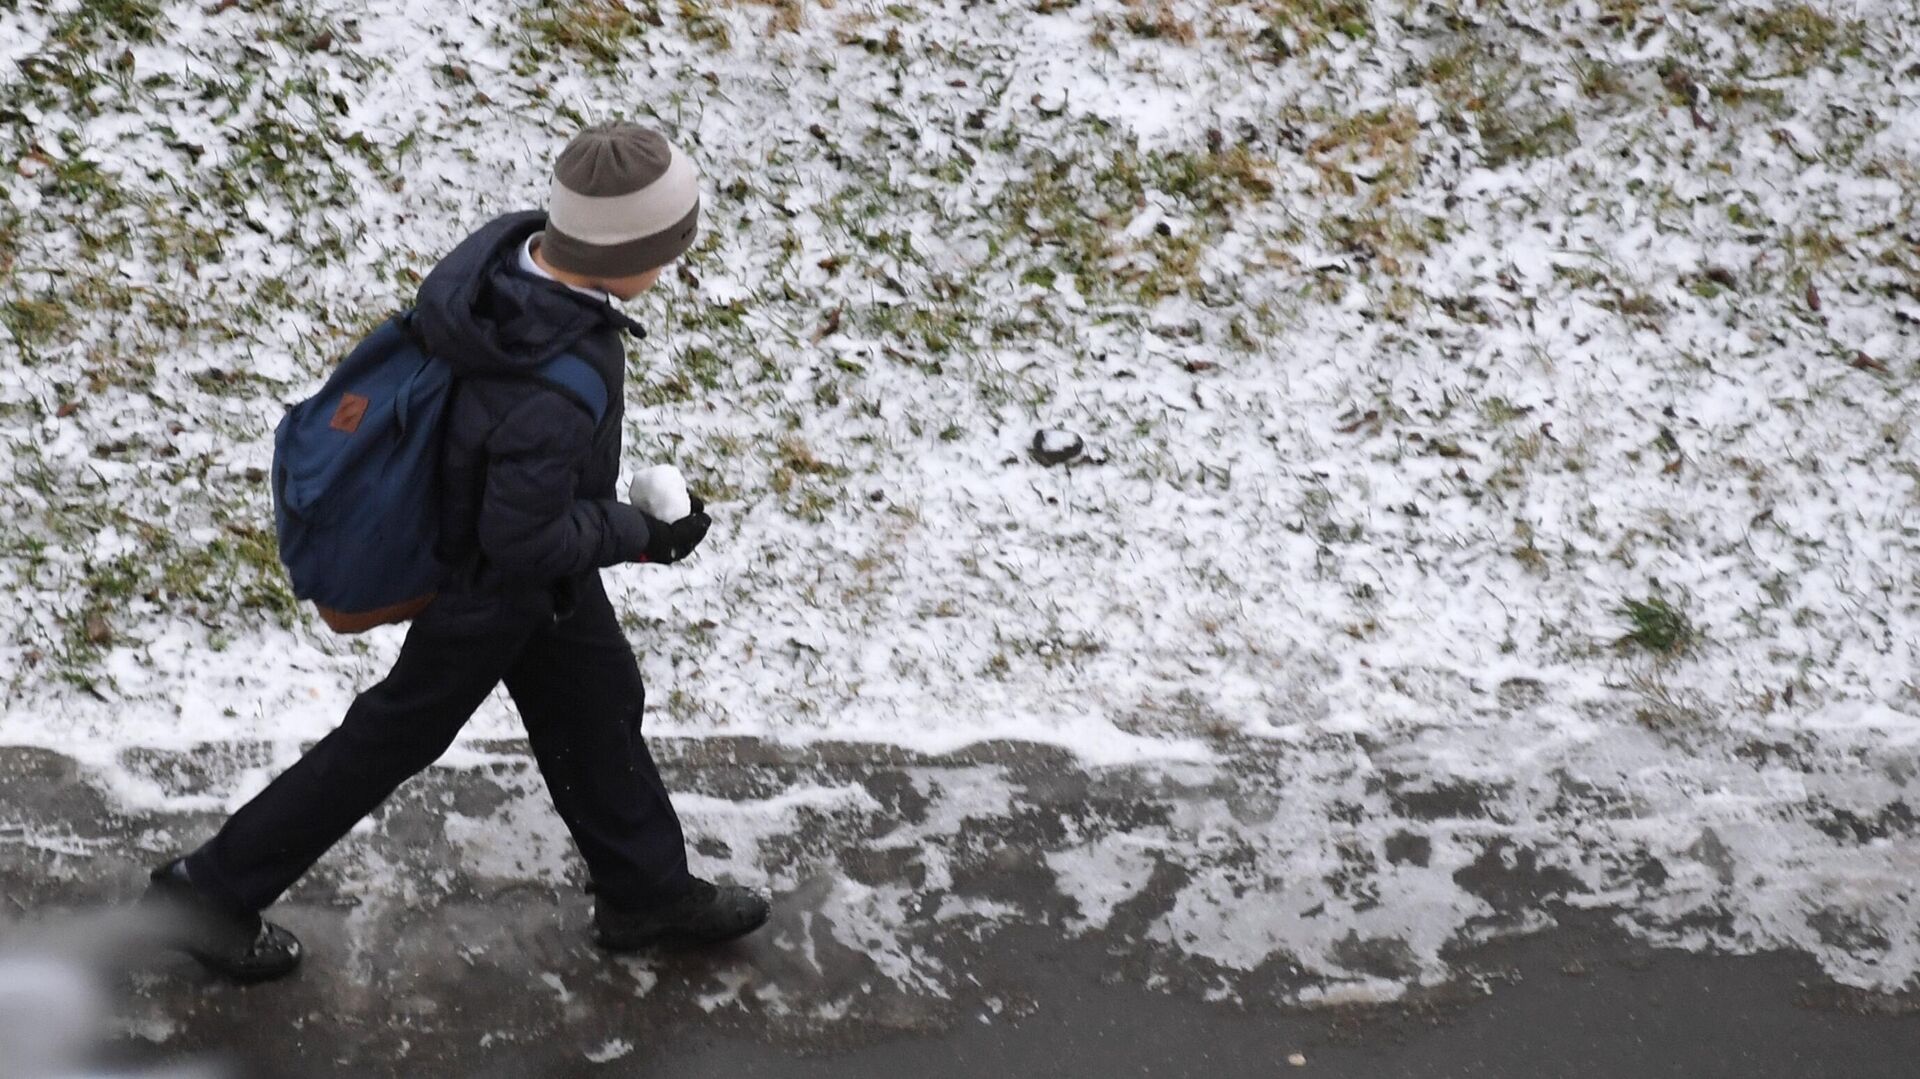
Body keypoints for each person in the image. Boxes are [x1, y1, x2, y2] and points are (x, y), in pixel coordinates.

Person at [143, 122, 769, 982]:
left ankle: (646, 890)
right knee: (393, 735)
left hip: (528, 572)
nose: (670, 267)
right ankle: (207, 893)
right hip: (494, 584)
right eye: (665, 248)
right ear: (619, 251)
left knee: (597, 698)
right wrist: (643, 535)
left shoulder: (512, 274)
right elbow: (522, 535)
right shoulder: (553, 374)